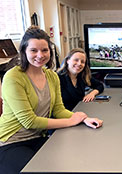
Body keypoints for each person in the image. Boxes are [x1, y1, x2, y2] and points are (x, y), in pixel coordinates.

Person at [0, 26, 103, 174]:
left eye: (45, 50)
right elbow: (29, 121)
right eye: (34, 50)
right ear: (24, 51)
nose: (40, 55)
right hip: (12, 141)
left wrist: (83, 118)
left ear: (50, 51)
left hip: (38, 137)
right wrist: (72, 121)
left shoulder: (52, 76)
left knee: (76, 160)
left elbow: (58, 109)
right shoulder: (13, 77)